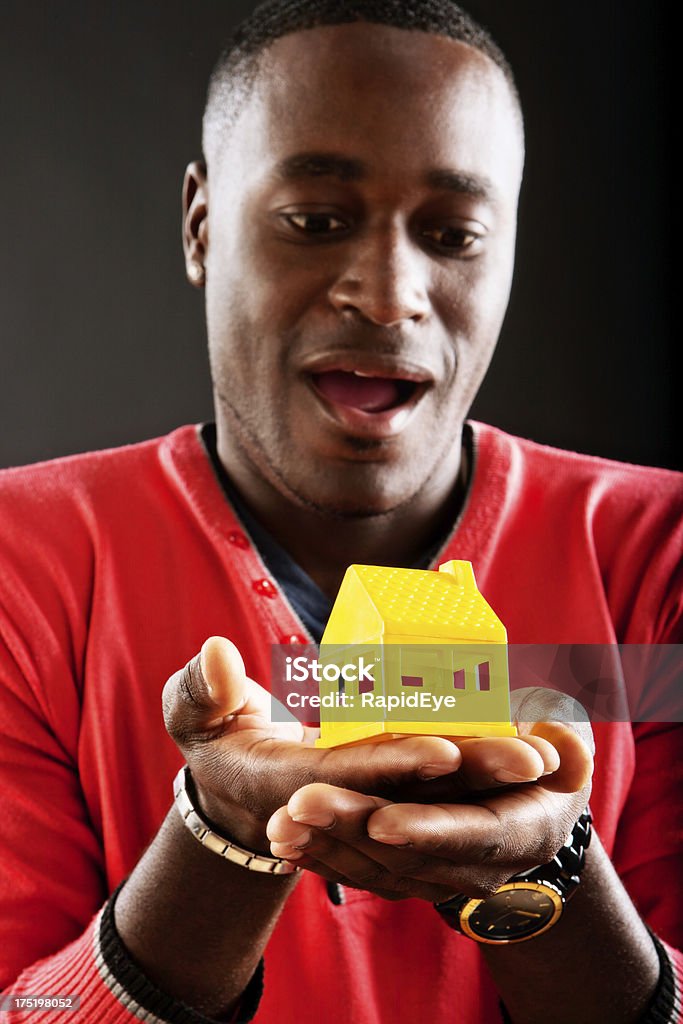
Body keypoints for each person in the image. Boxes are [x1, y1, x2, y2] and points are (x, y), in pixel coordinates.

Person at [0, 2, 681, 1022]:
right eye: (316, 222)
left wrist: (544, 871)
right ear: (200, 226)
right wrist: (222, 837)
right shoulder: (26, 557)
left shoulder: (654, 552)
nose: (387, 291)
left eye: (453, 235)